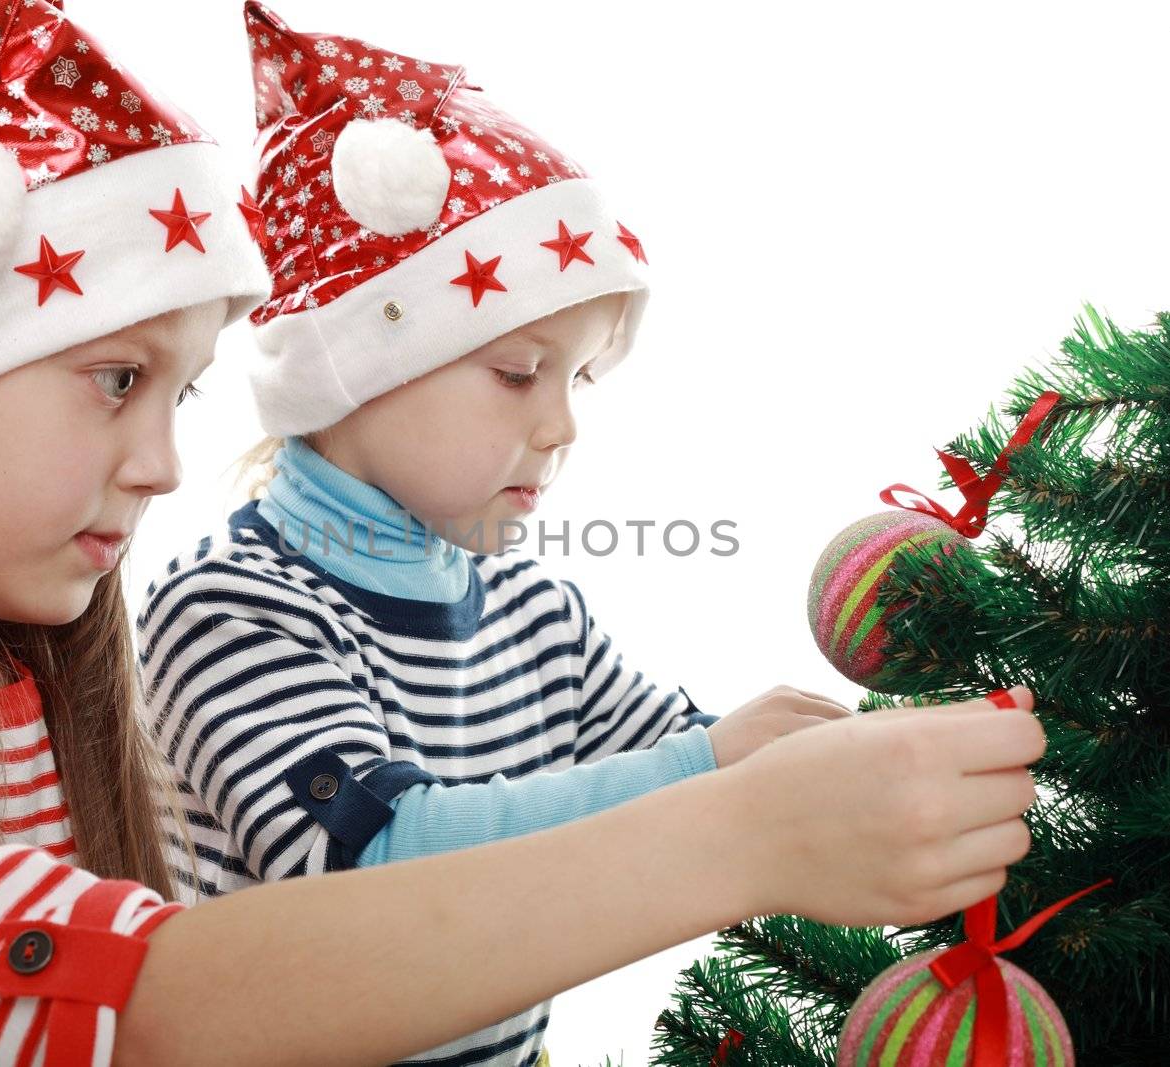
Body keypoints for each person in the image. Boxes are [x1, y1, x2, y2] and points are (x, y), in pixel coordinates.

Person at [0, 3, 1045, 1065]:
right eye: (116, 378)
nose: (167, 462)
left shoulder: (41, 676)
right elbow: (151, 999)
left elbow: (676, 749)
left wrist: (888, 771)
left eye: (179, 393)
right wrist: (739, 822)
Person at [134, 5, 1037, 1065]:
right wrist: (725, 773)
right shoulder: (230, 608)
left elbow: (675, 764)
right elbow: (375, 867)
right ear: (355, 371)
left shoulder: (536, 616)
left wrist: (861, 766)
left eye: (579, 379)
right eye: (518, 371)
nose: (560, 425)